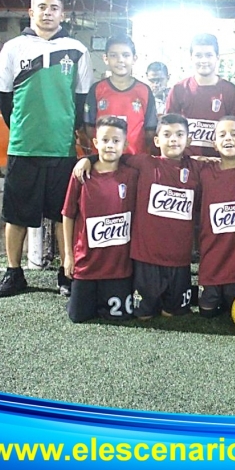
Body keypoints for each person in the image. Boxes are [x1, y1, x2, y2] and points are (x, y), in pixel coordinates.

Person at [0, 0, 92, 298]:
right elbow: (5, 99)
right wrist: (24, 128)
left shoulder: (77, 50)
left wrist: (64, 130)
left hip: (62, 149)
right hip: (23, 147)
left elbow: (80, 99)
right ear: (31, 12)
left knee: (64, 215)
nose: (47, 12)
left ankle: (66, 274)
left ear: (62, 14)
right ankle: (14, 273)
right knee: (16, 215)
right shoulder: (12, 47)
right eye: (42, 7)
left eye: (54, 8)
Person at [74, 113, 203, 318]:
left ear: (188, 140)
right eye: (167, 134)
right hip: (146, 259)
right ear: (157, 140)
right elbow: (112, 154)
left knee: (174, 314)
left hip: (180, 260)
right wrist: (88, 160)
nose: (173, 139)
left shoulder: (197, 167)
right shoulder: (144, 163)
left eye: (179, 135)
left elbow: (222, 163)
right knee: (144, 316)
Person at [62, 116, 139, 323]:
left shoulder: (133, 175)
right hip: (87, 265)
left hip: (119, 268)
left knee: (121, 318)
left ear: (125, 145)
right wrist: (68, 257)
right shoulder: (81, 174)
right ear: (96, 143)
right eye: (105, 140)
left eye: (116, 141)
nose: (110, 146)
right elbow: (68, 215)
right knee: (78, 317)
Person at [198, 117, 235, 317]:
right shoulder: (204, 173)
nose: (228, 139)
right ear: (214, 144)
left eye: (234, 134)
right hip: (211, 266)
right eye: (222, 135)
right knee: (206, 313)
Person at [165, 33, 235, 156]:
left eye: (209, 55)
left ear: (217, 57)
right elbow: (168, 129)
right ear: (191, 57)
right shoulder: (178, 89)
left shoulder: (230, 91)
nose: (203, 60)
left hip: (219, 164)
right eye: (198, 55)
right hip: (185, 163)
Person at [84, 35, 158, 155]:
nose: (120, 60)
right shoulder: (97, 89)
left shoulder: (144, 90)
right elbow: (89, 128)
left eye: (126, 55)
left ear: (134, 58)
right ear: (105, 58)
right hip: (104, 160)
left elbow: (150, 131)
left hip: (135, 159)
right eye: (114, 55)